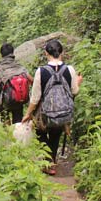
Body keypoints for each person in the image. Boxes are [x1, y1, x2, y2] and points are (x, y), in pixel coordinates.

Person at [22, 39, 82, 175]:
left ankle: (47, 163)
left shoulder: (41, 71)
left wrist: (28, 113)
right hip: (62, 113)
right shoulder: (70, 70)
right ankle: (52, 162)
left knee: (40, 133)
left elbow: (36, 97)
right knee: (55, 136)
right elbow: (74, 91)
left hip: (44, 113)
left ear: (45, 53)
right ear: (62, 52)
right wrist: (78, 82)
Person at [0, 43, 33, 125]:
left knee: (5, 122)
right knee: (18, 122)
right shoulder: (20, 66)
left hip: (5, 101)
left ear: (1, 55)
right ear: (12, 53)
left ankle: (7, 135)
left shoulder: (0, 68)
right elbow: (32, 81)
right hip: (19, 99)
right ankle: (17, 136)